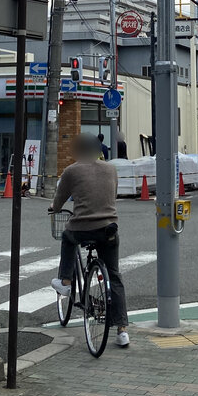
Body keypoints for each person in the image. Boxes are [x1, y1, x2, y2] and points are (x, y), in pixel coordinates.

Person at [49, 133, 129, 347]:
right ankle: (122, 330)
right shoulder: (111, 169)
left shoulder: (71, 171)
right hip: (108, 229)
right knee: (114, 275)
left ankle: (65, 282)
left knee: (67, 237)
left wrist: (53, 209)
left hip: (82, 228)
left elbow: (59, 200)